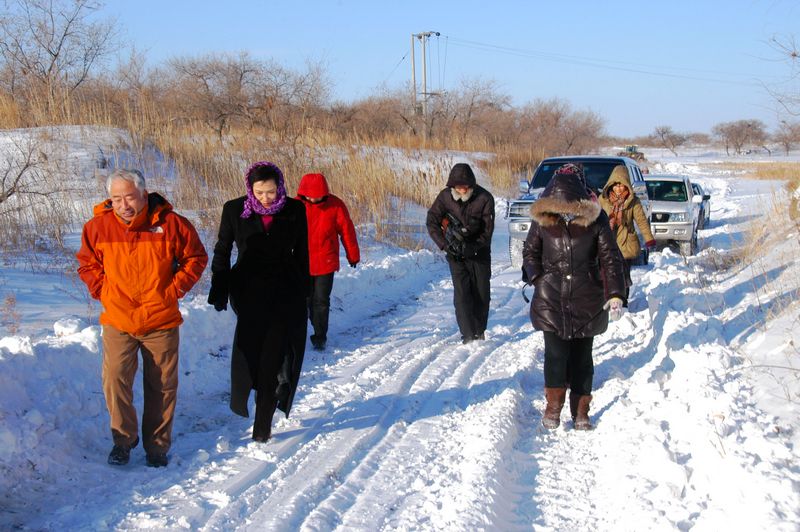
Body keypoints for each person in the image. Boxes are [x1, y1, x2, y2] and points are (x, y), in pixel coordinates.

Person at [76, 169, 208, 467]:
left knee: (161, 385)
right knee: (114, 380)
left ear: (144, 195)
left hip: (160, 319)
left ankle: (157, 447)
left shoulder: (171, 224)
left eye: (130, 197)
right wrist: (104, 291)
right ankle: (123, 440)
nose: (123, 204)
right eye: (116, 198)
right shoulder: (98, 227)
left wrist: (173, 290)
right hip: (118, 319)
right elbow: (86, 263)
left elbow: (196, 257)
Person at [207, 161, 309, 442]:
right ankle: (259, 396)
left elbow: (303, 254)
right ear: (250, 188)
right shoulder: (233, 209)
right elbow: (222, 249)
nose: (266, 198)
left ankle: (262, 425)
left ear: (280, 187)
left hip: (284, 292)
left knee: (273, 357)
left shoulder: (295, 210)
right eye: (260, 192)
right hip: (248, 292)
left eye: (272, 192)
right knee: (250, 356)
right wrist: (219, 286)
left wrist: (306, 293)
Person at [522, 163, 626, 431]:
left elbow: (610, 259)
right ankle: (553, 407)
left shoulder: (596, 220)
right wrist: (538, 279)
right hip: (550, 300)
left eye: (569, 207)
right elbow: (530, 253)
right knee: (555, 355)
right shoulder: (542, 220)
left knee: (582, 358)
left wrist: (615, 293)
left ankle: (581, 411)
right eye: (559, 206)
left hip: (586, 298)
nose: (564, 212)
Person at [426, 162, 495, 344]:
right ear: (452, 186)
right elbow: (431, 221)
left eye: (465, 187)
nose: (462, 191)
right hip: (454, 254)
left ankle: (479, 331)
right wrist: (445, 245)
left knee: (481, 293)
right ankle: (468, 335)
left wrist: (472, 247)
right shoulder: (444, 198)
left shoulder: (485, 198)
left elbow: (487, 232)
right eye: (458, 187)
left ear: (471, 185)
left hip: (479, 253)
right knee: (462, 294)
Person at [296, 172, 360, 351]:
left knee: (321, 300)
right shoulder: (295, 206)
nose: (314, 200)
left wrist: (353, 255)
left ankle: (320, 336)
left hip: (326, 261)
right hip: (302, 262)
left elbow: (346, 230)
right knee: (307, 300)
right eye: (311, 196)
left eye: (318, 197)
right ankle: (314, 323)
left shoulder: (336, 205)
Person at [598, 165, 655, 301]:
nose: (618, 188)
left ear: (626, 185)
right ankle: (608, 299)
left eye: (621, 185)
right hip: (606, 242)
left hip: (625, 242)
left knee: (623, 274)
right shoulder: (603, 200)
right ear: (611, 184)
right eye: (616, 185)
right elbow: (595, 218)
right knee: (607, 273)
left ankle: (623, 301)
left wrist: (649, 239)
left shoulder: (633, 201)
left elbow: (641, 220)